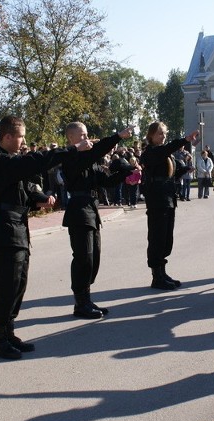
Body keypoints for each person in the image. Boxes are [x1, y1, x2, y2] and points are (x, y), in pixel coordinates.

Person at [0, 115, 92, 360]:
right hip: (5, 228)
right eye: (21, 136)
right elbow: (36, 161)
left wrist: (38, 200)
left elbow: (23, 191)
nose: (24, 141)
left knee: (18, 283)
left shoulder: (12, 160)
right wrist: (71, 149)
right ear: (7, 136)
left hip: (18, 226)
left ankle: (9, 332)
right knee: (6, 284)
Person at [62, 122, 135, 318]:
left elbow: (105, 181)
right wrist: (117, 136)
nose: (86, 138)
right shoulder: (70, 156)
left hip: (92, 209)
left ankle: (86, 298)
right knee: (83, 257)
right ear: (71, 138)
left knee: (94, 257)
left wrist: (125, 172)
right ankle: (80, 302)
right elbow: (97, 150)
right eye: (81, 135)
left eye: (87, 134)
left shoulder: (91, 160)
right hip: (78, 210)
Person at [141, 122, 199, 290]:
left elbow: (170, 175)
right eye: (160, 133)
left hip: (168, 198)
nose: (163, 136)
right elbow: (163, 153)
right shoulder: (150, 152)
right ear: (151, 135)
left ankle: (163, 272)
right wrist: (185, 139)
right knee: (157, 238)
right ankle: (156, 277)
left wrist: (184, 170)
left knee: (166, 239)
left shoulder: (166, 154)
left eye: (165, 133)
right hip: (157, 200)